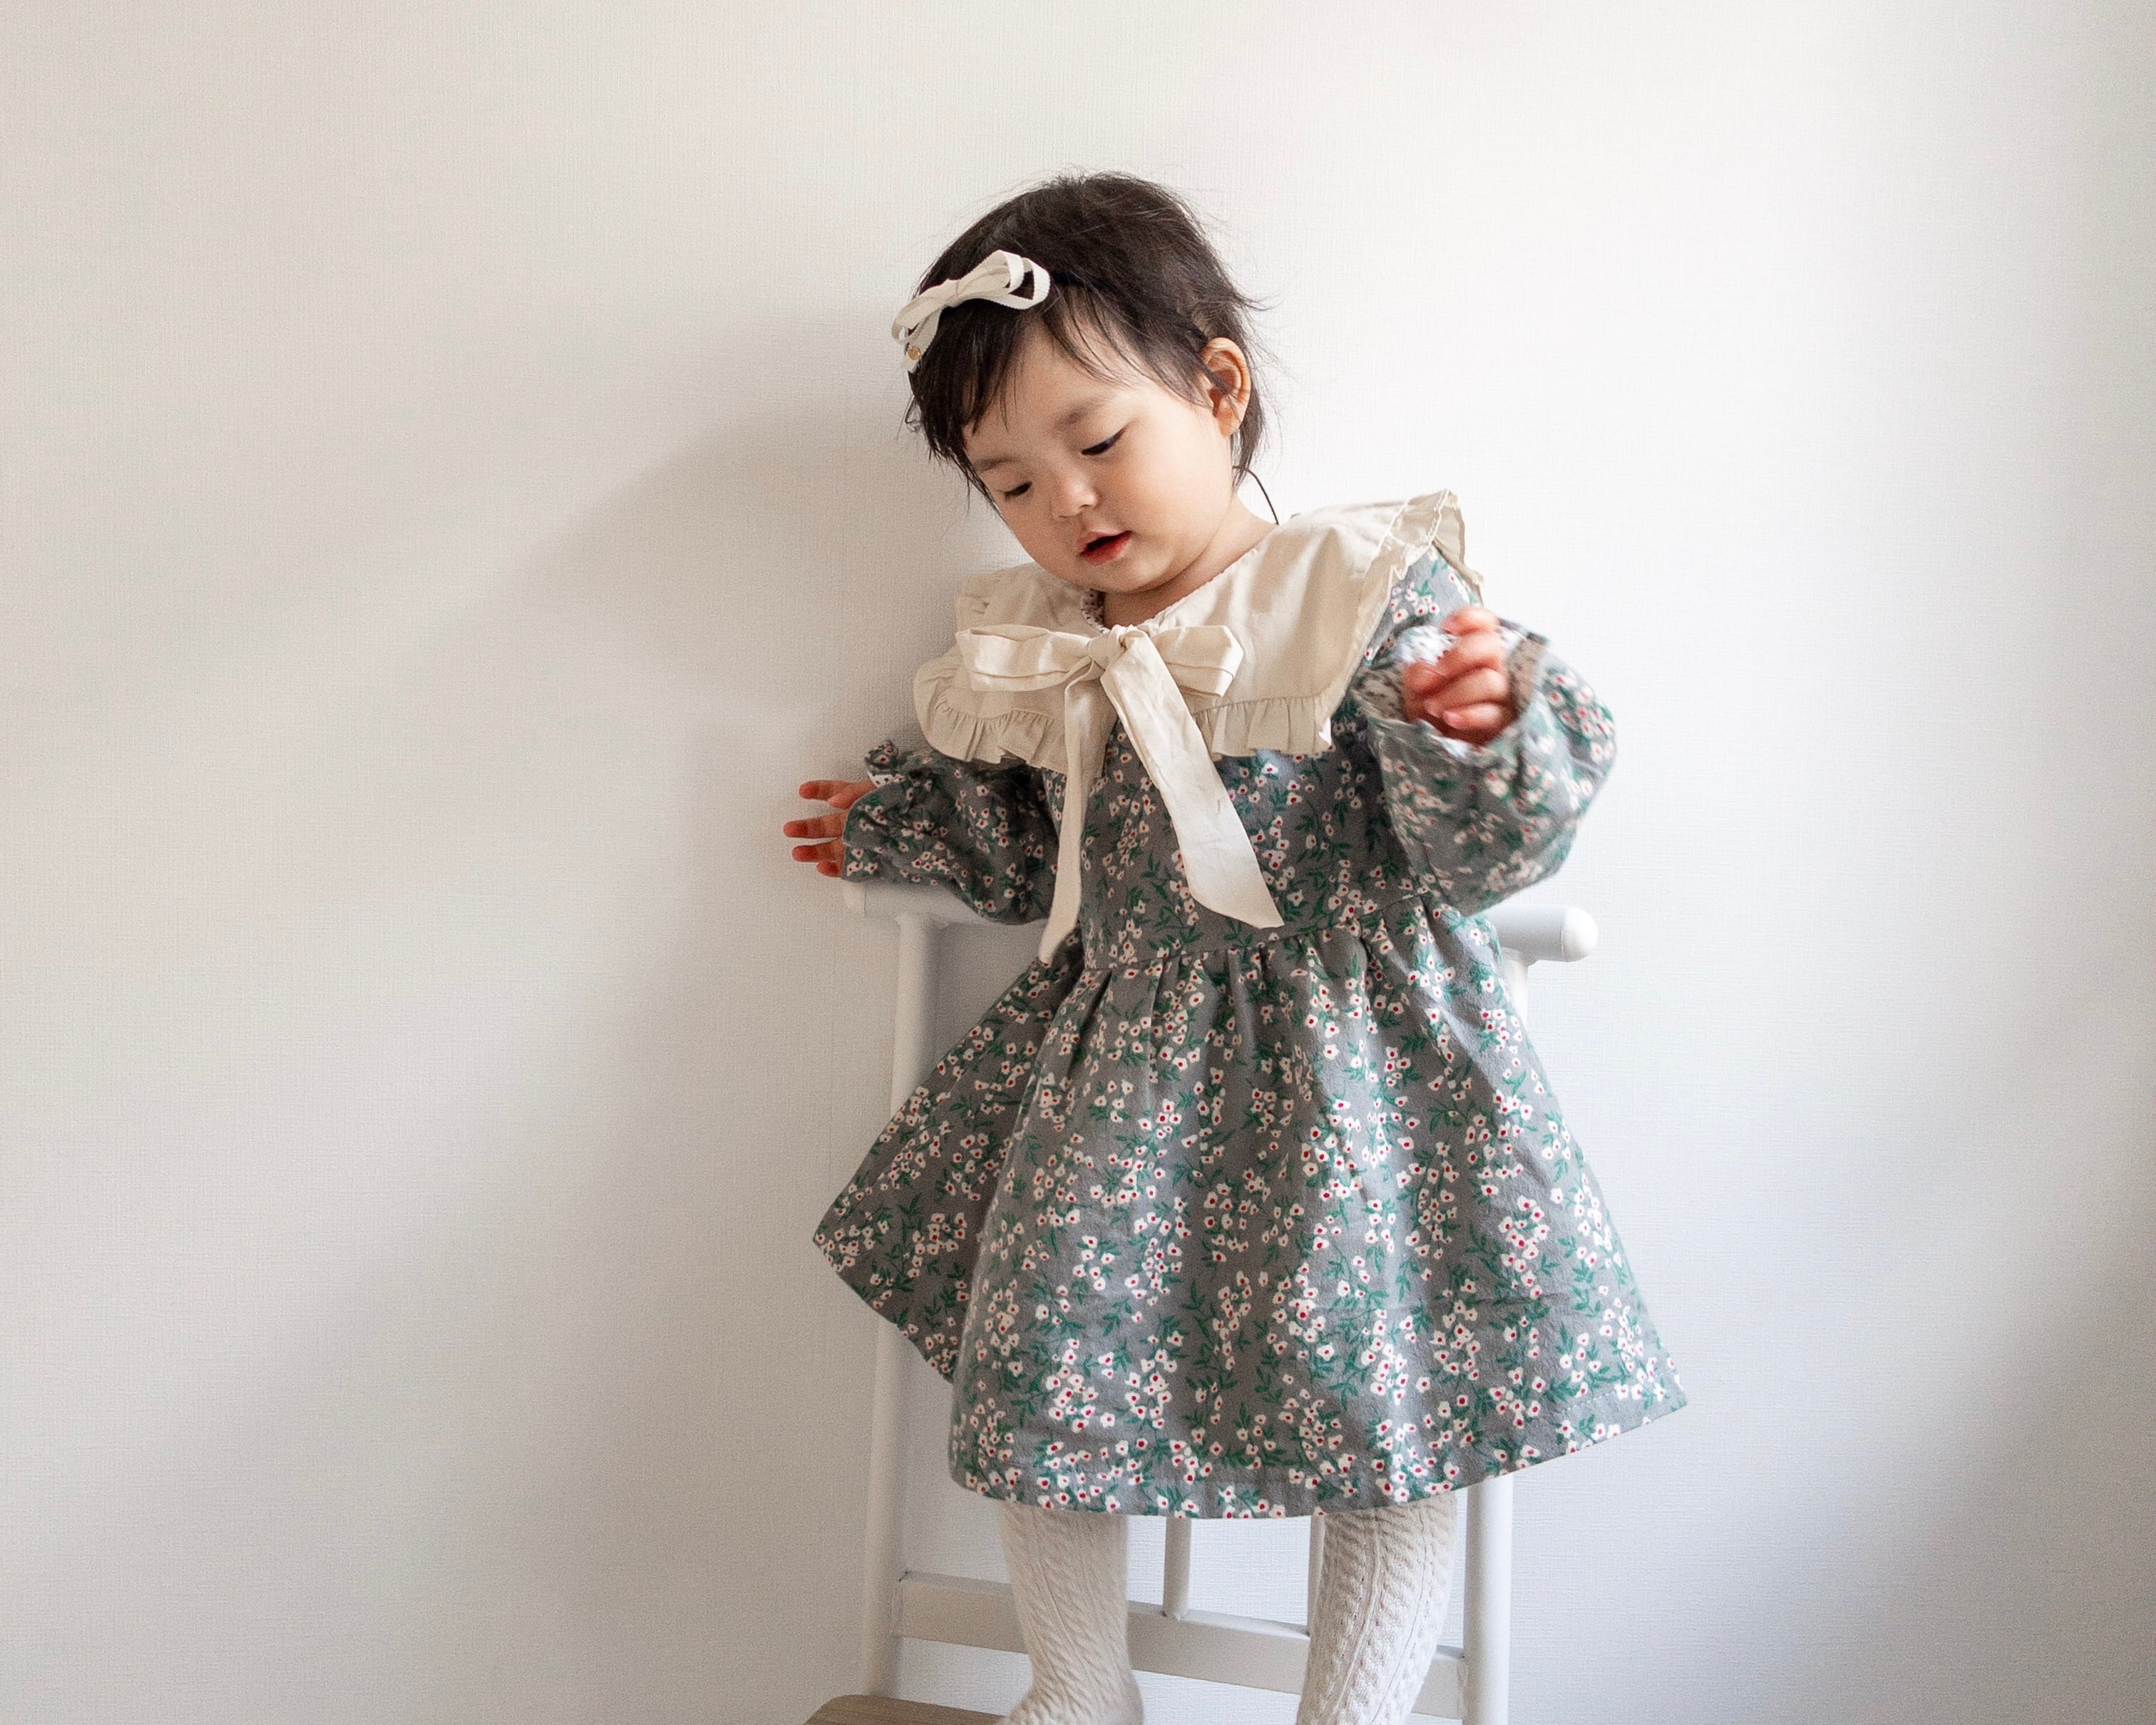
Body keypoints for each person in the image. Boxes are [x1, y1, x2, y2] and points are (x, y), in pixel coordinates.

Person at [784, 172, 1686, 1725]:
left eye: (1098, 440)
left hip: (1358, 1072)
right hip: (1122, 1074)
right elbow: (1032, 853)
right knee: (1041, 1363)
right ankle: (1080, 1686)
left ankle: (1352, 1710)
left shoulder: (1354, 595)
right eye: (1012, 480)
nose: (1068, 502)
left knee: (1393, 1400)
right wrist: (908, 821)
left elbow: (1481, 859)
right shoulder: (1048, 642)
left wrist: (1478, 725)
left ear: (1217, 388)